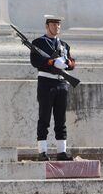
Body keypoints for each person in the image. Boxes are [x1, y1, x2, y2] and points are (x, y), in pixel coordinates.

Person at [30, 15, 75, 161]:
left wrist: (66, 63)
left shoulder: (64, 45)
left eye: (59, 25)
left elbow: (73, 64)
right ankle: (42, 151)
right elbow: (35, 61)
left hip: (62, 84)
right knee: (44, 118)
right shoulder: (38, 43)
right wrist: (52, 63)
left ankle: (61, 151)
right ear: (47, 26)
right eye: (54, 25)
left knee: (60, 119)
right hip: (46, 83)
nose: (57, 27)